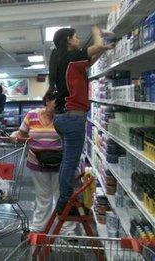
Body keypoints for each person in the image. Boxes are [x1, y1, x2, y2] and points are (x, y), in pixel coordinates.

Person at [49, 26, 114, 215]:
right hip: (72, 118)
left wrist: (104, 49)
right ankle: (65, 201)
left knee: (67, 161)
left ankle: (65, 196)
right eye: (76, 36)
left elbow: (91, 59)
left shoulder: (64, 61)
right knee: (70, 161)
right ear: (69, 39)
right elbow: (97, 45)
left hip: (62, 118)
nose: (78, 39)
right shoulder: (72, 56)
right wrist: (95, 31)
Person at [11, 91, 75, 234]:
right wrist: (15, 135)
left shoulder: (63, 117)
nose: (59, 106)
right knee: (43, 195)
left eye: (62, 104)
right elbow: (21, 133)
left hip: (60, 164)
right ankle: (39, 226)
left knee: (61, 196)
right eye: (56, 103)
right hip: (37, 163)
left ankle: (66, 229)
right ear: (47, 101)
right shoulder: (32, 115)